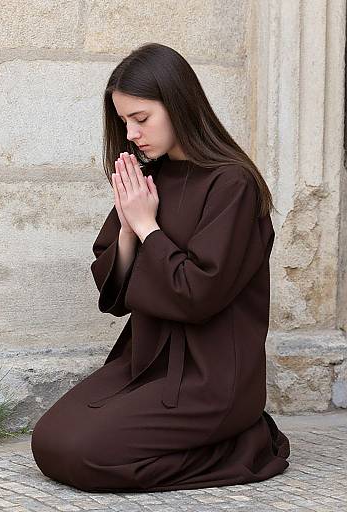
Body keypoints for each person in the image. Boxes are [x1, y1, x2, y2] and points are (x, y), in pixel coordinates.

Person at [31, 42, 290, 492]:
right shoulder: (152, 176)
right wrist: (130, 227)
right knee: (50, 442)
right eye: (123, 121)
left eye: (141, 118)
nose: (131, 133)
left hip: (210, 377)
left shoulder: (233, 186)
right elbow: (112, 294)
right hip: (145, 362)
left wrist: (149, 226)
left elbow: (197, 294)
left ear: (179, 105)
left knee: (90, 457)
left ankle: (246, 443)